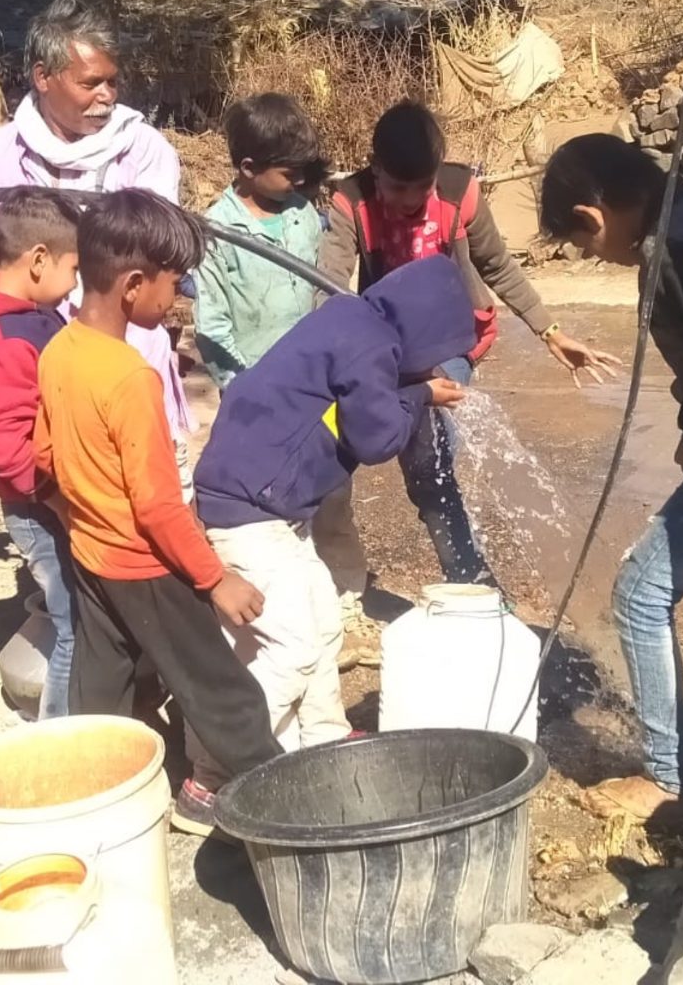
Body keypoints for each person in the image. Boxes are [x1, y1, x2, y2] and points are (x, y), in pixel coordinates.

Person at [34, 189, 281, 836]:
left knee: (104, 689)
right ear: (133, 285)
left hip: (92, 558)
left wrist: (81, 516)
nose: (178, 298)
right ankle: (282, 809)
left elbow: (42, 457)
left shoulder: (59, 351)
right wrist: (215, 579)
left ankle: (97, 807)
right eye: (173, 283)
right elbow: (157, 505)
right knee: (223, 694)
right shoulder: (128, 376)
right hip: (147, 566)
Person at [540, 133, 683, 819]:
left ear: (593, 214)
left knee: (640, 593)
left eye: (584, 244)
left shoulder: (677, 249)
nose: (593, 257)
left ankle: (671, 780)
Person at [193, 255, 477, 777]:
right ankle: (215, 772)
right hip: (249, 511)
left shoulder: (354, 318)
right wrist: (419, 394)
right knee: (292, 647)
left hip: (270, 502)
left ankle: (323, 739)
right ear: (426, 329)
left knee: (323, 622)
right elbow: (377, 439)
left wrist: (410, 389)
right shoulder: (372, 347)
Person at [321, 101, 621, 589]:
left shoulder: (460, 193)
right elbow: (328, 286)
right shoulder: (352, 203)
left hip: (452, 340)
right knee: (384, 462)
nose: (410, 200)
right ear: (376, 171)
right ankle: (373, 577)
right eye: (397, 187)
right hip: (386, 348)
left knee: (429, 460)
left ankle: (472, 583)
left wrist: (550, 331)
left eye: (422, 187)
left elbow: (497, 265)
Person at [0, 0, 193, 492]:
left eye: (112, 81)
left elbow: (159, 254)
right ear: (43, 77)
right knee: (57, 502)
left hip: (128, 363)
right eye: (90, 83)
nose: (106, 96)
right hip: (39, 374)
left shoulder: (144, 149)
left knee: (149, 499)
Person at [0, 189, 81, 720]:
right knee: (70, 622)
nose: (75, 283)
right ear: (39, 259)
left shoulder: (31, 314)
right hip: (37, 507)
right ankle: (58, 735)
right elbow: (6, 450)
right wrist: (57, 502)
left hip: (49, 498)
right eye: (74, 269)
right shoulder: (5, 339)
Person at [194, 94, 329, 391]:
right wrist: (243, 388)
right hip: (252, 388)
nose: (300, 180)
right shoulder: (218, 232)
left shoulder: (303, 213)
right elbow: (212, 326)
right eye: (289, 174)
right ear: (249, 168)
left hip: (310, 379)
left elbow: (321, 290)